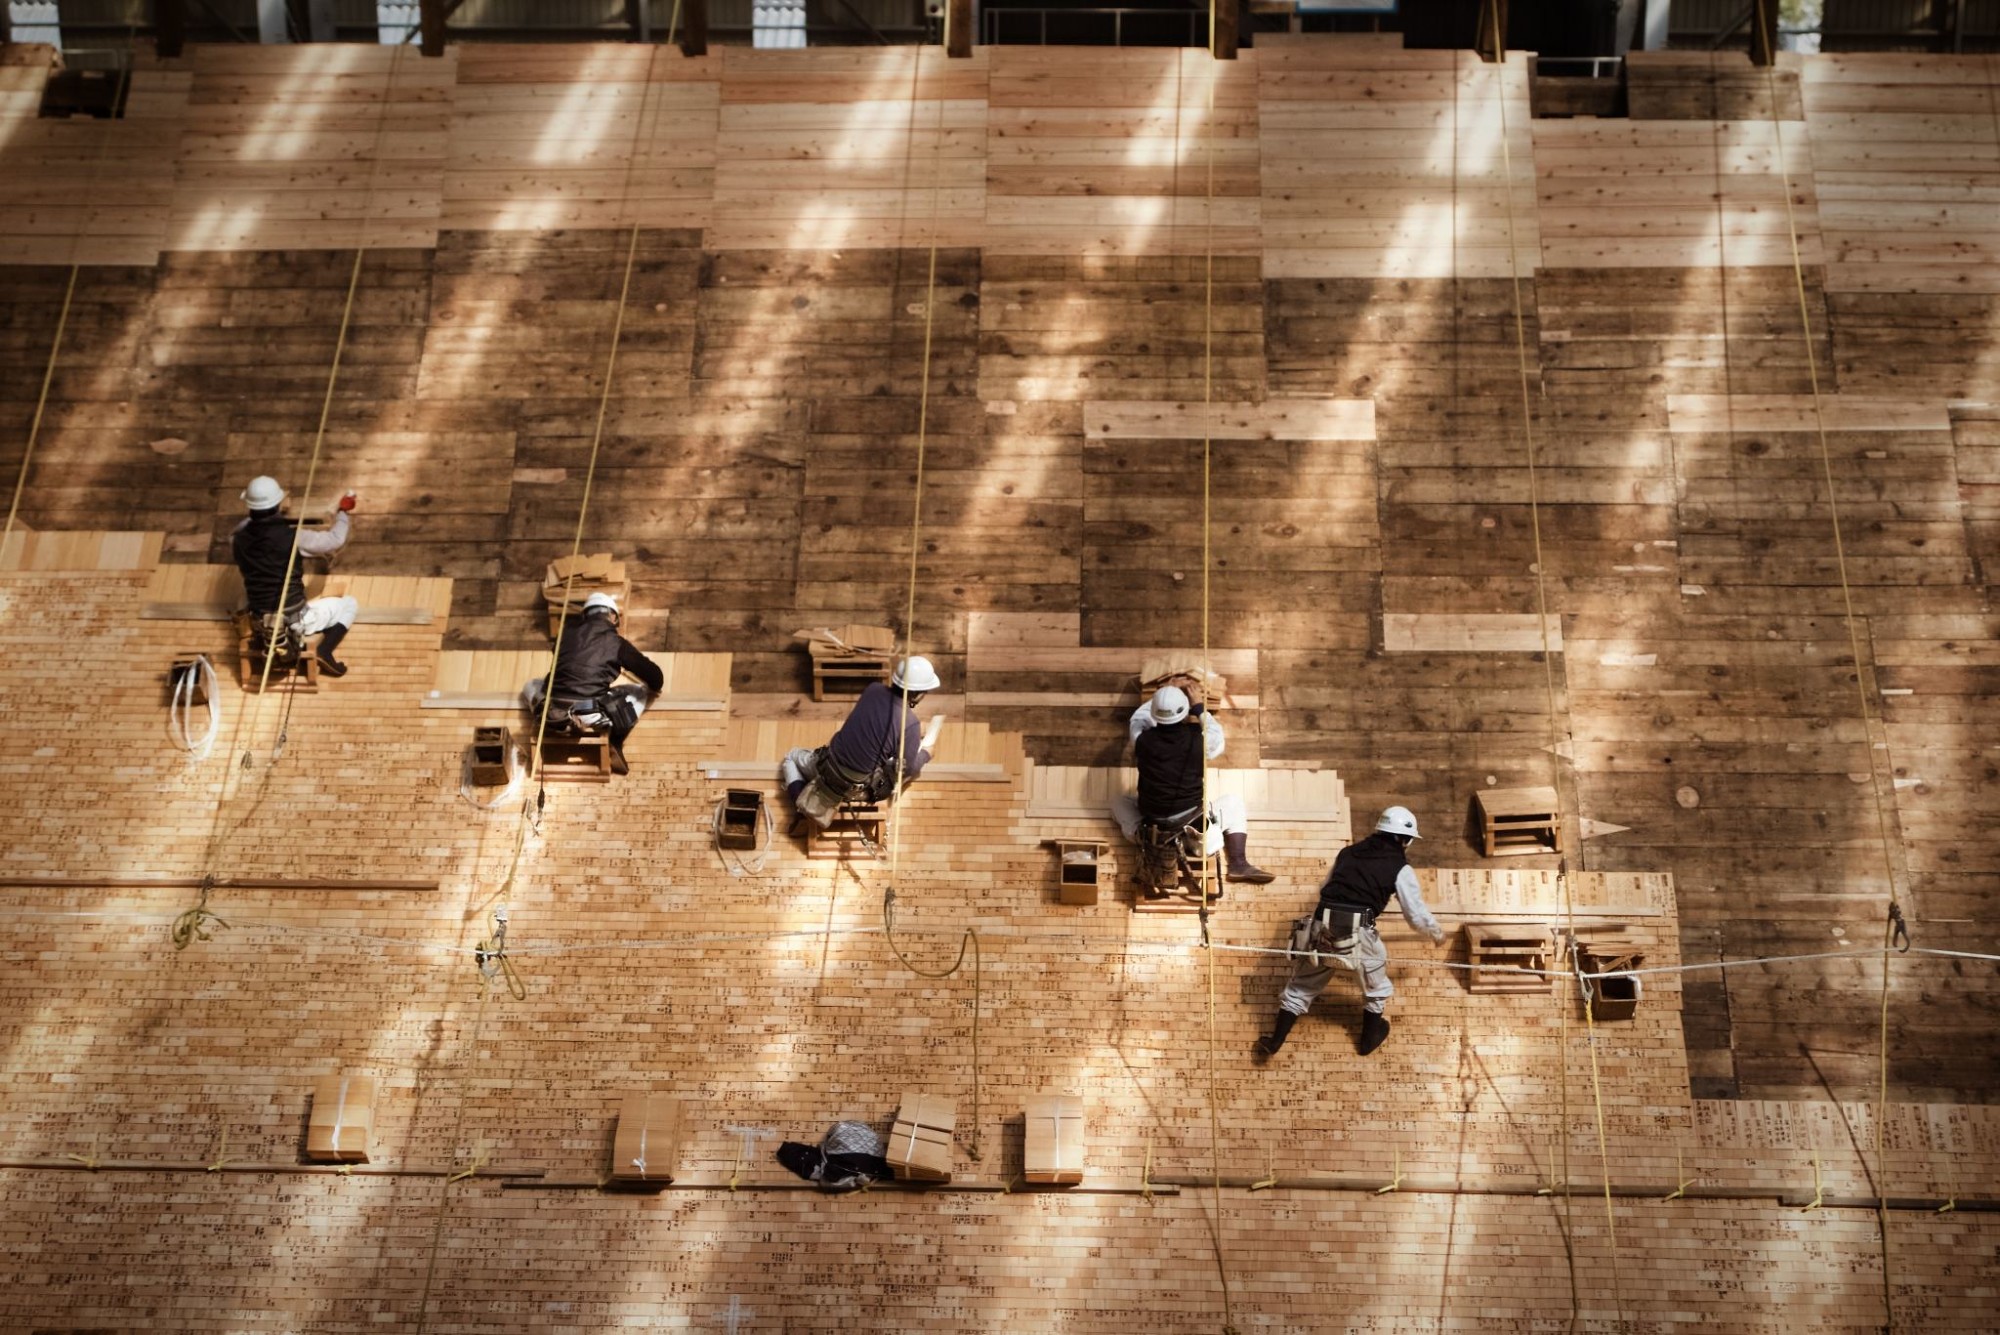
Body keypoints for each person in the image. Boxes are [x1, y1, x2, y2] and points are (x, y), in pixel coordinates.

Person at [1255, 805, 1446, 1059]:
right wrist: (1435, 933)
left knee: (1302, 985)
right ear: (1406, 839)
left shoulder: (1347, 853)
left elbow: (1327, 887)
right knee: (1376, 987)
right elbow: (1416, 915)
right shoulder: (1400, 868)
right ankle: (1369, 1039)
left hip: (1322, 929)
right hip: (1359, 934)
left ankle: (1275, 1041)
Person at [1110, 683, 1274, 892]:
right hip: (1198, 839)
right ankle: (1238, 864)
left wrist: (1161, 695)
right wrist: (1197, 705)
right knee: (1234, 803)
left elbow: (1137, 719)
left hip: (1154, 829)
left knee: (1118, 802)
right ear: (1184, 710)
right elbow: (1217, 736)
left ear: (1156, 714)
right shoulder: (1200, 740)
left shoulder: (1142, 740)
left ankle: (1146, 838)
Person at [782, 656, 944, 828]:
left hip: (825, 766)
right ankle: (805, 806)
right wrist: (926, 753)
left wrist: (911, 732)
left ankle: (798, 797)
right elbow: (907, 768)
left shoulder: (873, 689)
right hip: (853, 788)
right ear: (919, 694)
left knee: (791, 757)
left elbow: (876, 722)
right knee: (892, 768)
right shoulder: (910, 723)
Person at [522, 592, 662, 776]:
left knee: (531, 685)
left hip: (554, 710)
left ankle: (554, 714)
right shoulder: (616, 643)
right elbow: (656, 679)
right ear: (612, 617)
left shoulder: (564, 635)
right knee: (639, 691)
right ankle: (616, 739)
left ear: (585, 615)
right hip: (590, 715)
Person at [232, 474, 358, 677]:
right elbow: (334, 540)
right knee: (350, 604)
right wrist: (343, 511)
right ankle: (325, 651)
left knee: (242, 597)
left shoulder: (238, 539)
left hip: (258, 617)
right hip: (296, 619)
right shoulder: (293, 537)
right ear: (278, 504)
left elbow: (246, 526)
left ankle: (260, 633)